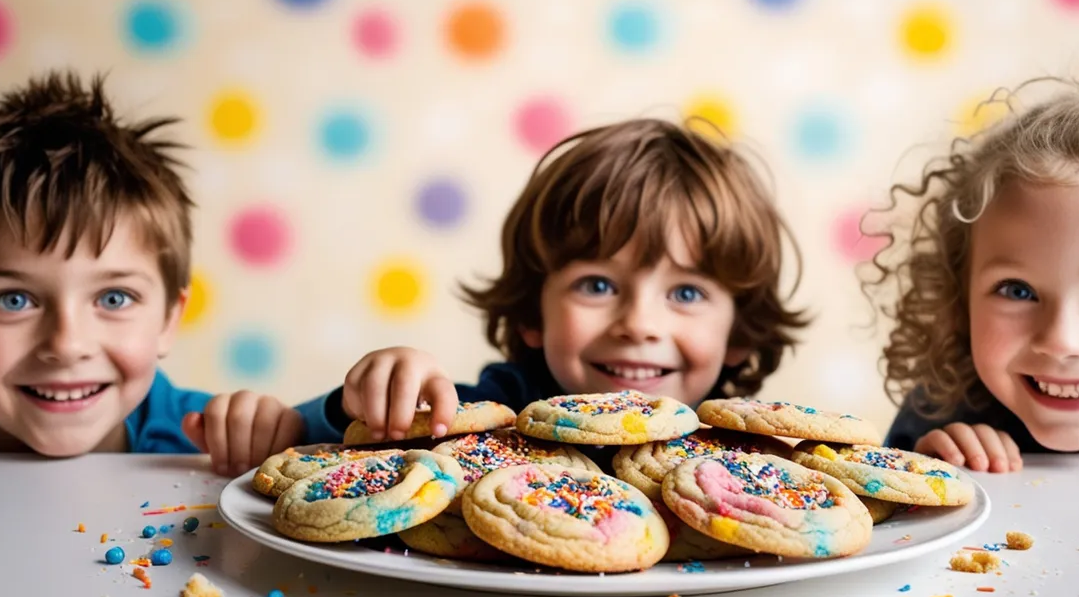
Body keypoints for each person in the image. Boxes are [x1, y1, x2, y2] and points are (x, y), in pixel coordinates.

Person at [300, 118, 809, 442]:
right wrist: (371, 399)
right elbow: (323, 440)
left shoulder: (750, 449)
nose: (638, 325)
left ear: (740, 333)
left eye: (686, 293)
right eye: (598, 285)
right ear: (531, 313)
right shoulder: (496, 413)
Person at [0, 72, 302, 476]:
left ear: (169, 319)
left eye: (113, 298)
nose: (68, 345)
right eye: (14, 300)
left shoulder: (210, 445)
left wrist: (296, 429)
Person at [869, 41, 1079, 471]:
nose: (1061, 340)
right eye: (1017, 290)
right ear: (959, 300)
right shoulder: (941, 413)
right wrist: (929, 480)